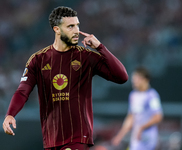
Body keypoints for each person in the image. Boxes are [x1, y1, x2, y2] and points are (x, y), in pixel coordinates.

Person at [2, 6, 128, 150]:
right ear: (57, 29)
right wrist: (10, 114)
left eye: (77, 26)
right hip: (51, 138)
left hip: (78, 136)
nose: (76, 31)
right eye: (70, 26)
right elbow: (22, 91)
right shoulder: (38, 59)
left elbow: (122, 76)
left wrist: (100, 47)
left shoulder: (86, 57)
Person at [112, 67, 163, 150]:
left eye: (136, 79)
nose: (133, 81)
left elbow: (158, 116)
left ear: (145, 80)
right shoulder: (133, 95)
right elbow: (131, 117)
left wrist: (142, 127)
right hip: (136, 138)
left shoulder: (152, 95)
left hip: (148, 139)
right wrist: (120, 136)